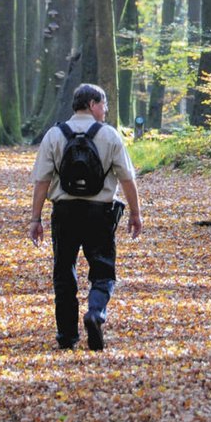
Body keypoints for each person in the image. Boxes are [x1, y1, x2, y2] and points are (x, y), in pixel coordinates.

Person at [29, 83, 142, 351]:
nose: (106, 110)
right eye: (103, 104)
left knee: (64, 271)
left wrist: (36, 219)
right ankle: (96, 313)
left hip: (64, 212)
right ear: (92, 104)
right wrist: (135, 213)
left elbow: (41, 181)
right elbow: (127, 179)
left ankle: (67, 336)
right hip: (100, 213)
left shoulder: (54, 135)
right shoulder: (109, 136)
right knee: (103, 269)